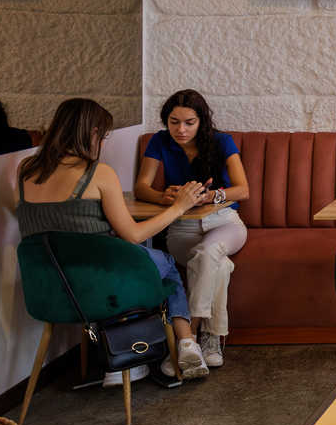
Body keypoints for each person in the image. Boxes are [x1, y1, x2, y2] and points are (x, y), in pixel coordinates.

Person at [15, 97, 212, 382]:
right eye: (104, 137)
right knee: (164, 263)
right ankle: (181, 344)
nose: (103, 144)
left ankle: (125, 358)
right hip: (100, 287)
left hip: (49, 290)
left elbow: (49, 224)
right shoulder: (99, 174)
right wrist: (179, 207)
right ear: (93, 133)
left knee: (128, 260)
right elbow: (133, 234)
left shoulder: (25, 169)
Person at [133, 89, 249, 369]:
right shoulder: (160, 141)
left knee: (208, 252)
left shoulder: (221, 142)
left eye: (189, 123)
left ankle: (189, 338)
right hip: (182, 225)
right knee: (218, 265)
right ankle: (212, 338)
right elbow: (141, 187)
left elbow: (243, 189)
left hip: (223, 221)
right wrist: (165, 197)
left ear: (201, 121)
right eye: (174, 122)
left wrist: (212, 196)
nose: (181, 130)